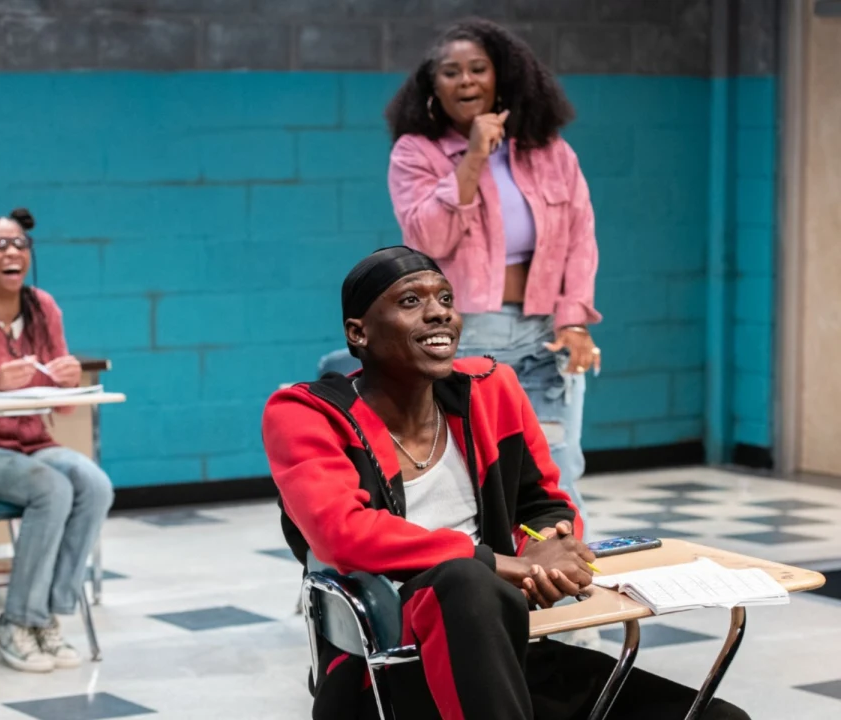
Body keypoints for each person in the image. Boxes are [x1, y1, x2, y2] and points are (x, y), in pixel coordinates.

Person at [262, 247, 749, 720]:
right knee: (466, 581)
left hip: (507, 651)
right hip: (391, 669)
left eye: (446, 299)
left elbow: (544, 504)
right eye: (411, 301)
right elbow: (343, 534)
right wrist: (498, 565)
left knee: (721, 717)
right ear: (358, 333)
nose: (438, 314)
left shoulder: (490, 390)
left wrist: (547, 552)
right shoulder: (309, 415)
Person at [385, 18, 600, 541]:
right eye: (451, 72)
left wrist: (575, 321)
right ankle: (487, 591)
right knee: (471, 473)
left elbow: (579, 237)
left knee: (557, 468)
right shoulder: (417, 154)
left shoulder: (550, 151)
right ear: (432, 87)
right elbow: (428, 240)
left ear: (500, 77)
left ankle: (568, 604)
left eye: (477, 69)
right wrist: (475, 155)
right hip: (467, 338)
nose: (466, 81)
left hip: (546, 335)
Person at [0, 209, 114, 673]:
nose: (13, 252)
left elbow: (62, 409)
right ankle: (15, 622)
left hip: (32, 443)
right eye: (0, 245)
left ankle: (45, 616)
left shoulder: (43, 306)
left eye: (21, 245)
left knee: (93, 483)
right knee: (51, 488)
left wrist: (68, 382)